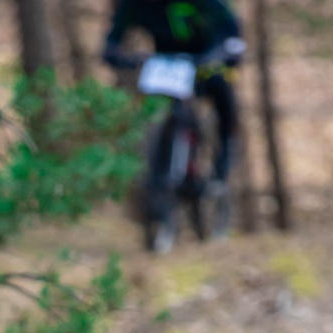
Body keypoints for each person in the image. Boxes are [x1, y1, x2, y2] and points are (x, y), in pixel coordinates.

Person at [103, 0, 244, 211]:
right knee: (151, 106)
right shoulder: (138, 4)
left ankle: (224, 156)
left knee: (221, 88)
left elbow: (229, 30)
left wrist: (225, 52)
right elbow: (115, 35)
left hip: (205, 58)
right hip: (164, 62)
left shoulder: (208, 4)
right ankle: (154, 163)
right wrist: (114, 53)